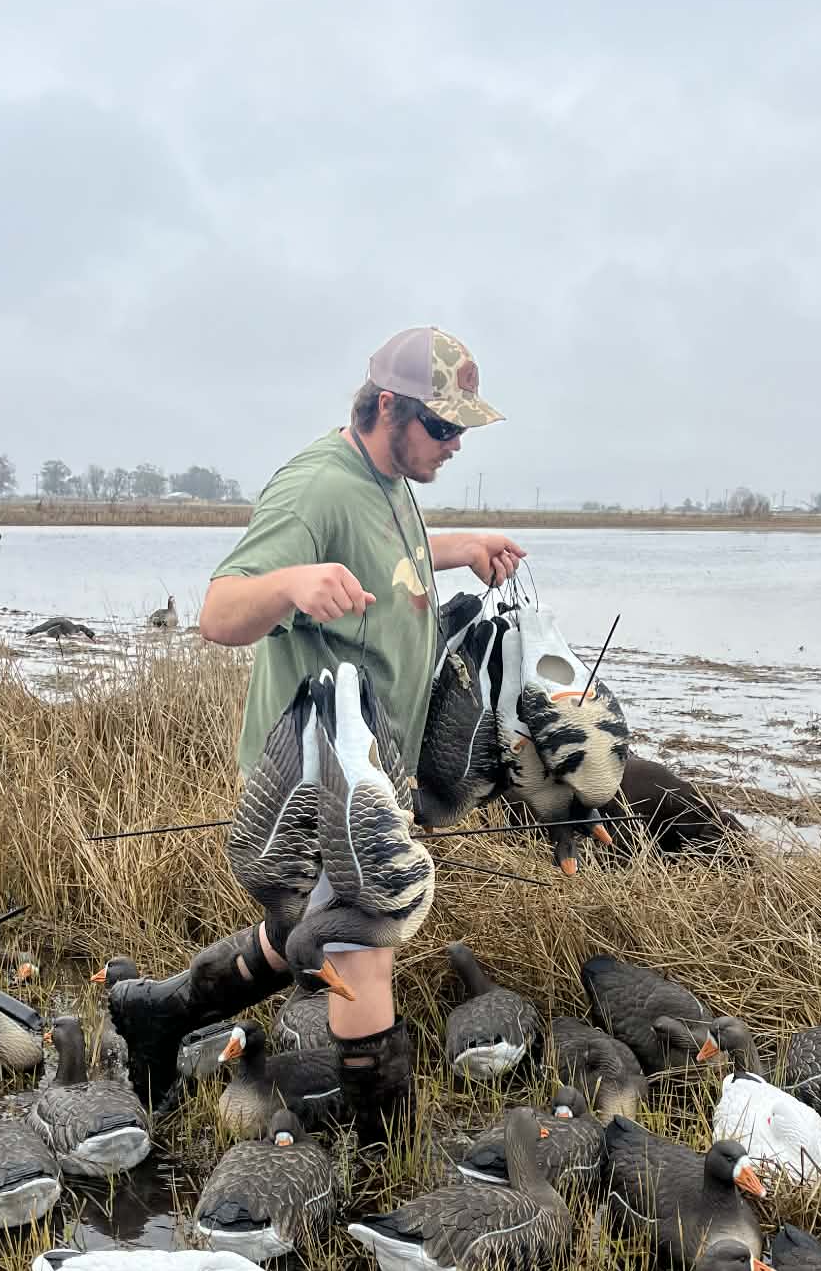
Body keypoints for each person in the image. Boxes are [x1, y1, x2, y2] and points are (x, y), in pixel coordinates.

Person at [110, 327, 526, 1135]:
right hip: (313, 781)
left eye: (462, 429)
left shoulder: (389, 477)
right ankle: (385, 1154)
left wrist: (461, 548)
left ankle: (158, 1013)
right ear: (386, 407)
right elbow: (218, 614)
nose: (454, 444)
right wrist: (292, 583)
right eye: (442, 426)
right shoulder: (314, 487)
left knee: (308, 931)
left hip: (369, 770)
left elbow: (386, 559)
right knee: (364, 951)